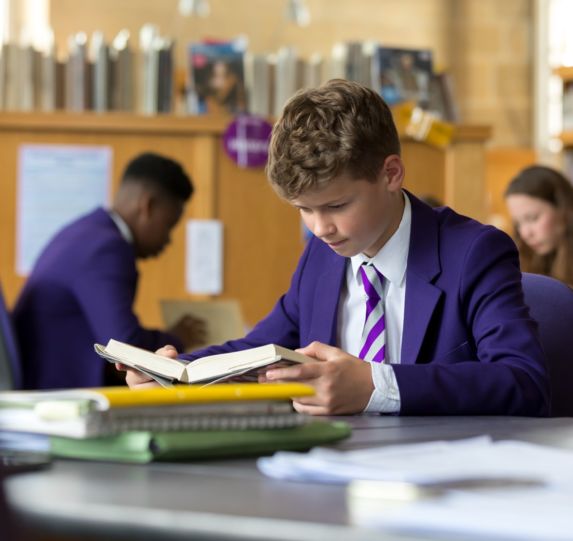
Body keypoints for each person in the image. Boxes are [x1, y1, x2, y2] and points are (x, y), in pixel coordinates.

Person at [120, 80, 549, 417]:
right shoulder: (321, 258)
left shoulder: (474, 252)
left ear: (391, 173)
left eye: (337, 205)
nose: (320, 228)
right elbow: (258, 351)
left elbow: (524, 382)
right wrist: (177, 372)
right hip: (332, 472)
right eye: (303, 210)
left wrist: (376, 385)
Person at [14, 152, 205, 390]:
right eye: (168, 226)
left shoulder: (87, 231)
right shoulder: (106, 248)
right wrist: (176, 339)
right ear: (148, 206)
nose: (167, 240)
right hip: (55, 394)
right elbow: (124, 346)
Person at [504, 165, 573, 286]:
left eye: (532, 218)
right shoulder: (520, 262)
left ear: (565, 209)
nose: (525, 233)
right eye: (518, 224)